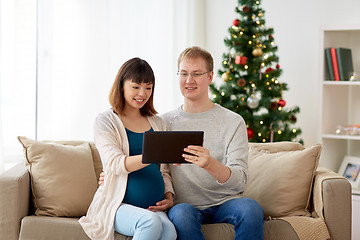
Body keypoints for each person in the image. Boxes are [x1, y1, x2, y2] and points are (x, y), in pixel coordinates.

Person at [154, 46, 264, 239]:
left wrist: (210, 164)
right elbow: (161, 171)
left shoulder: (233, 121)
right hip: (185, 206)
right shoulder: (164, 122)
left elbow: (240, 181)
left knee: (251, 209)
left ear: (210, 77)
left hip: (226, 202)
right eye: (184, 74)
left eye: (197, 74)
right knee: (180, 215)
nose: (189, 80)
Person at [79, 57, 177, 240]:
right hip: (117, 205)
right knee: (149, 222)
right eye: (136, 87)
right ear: (121, 85)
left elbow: (164, 169)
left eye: (148, 88)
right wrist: (153, 153)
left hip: (152, 207)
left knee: (170, 232)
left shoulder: (158, 122)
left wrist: (169, 196)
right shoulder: (106, 121)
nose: (142, 93)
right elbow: (114, 163)